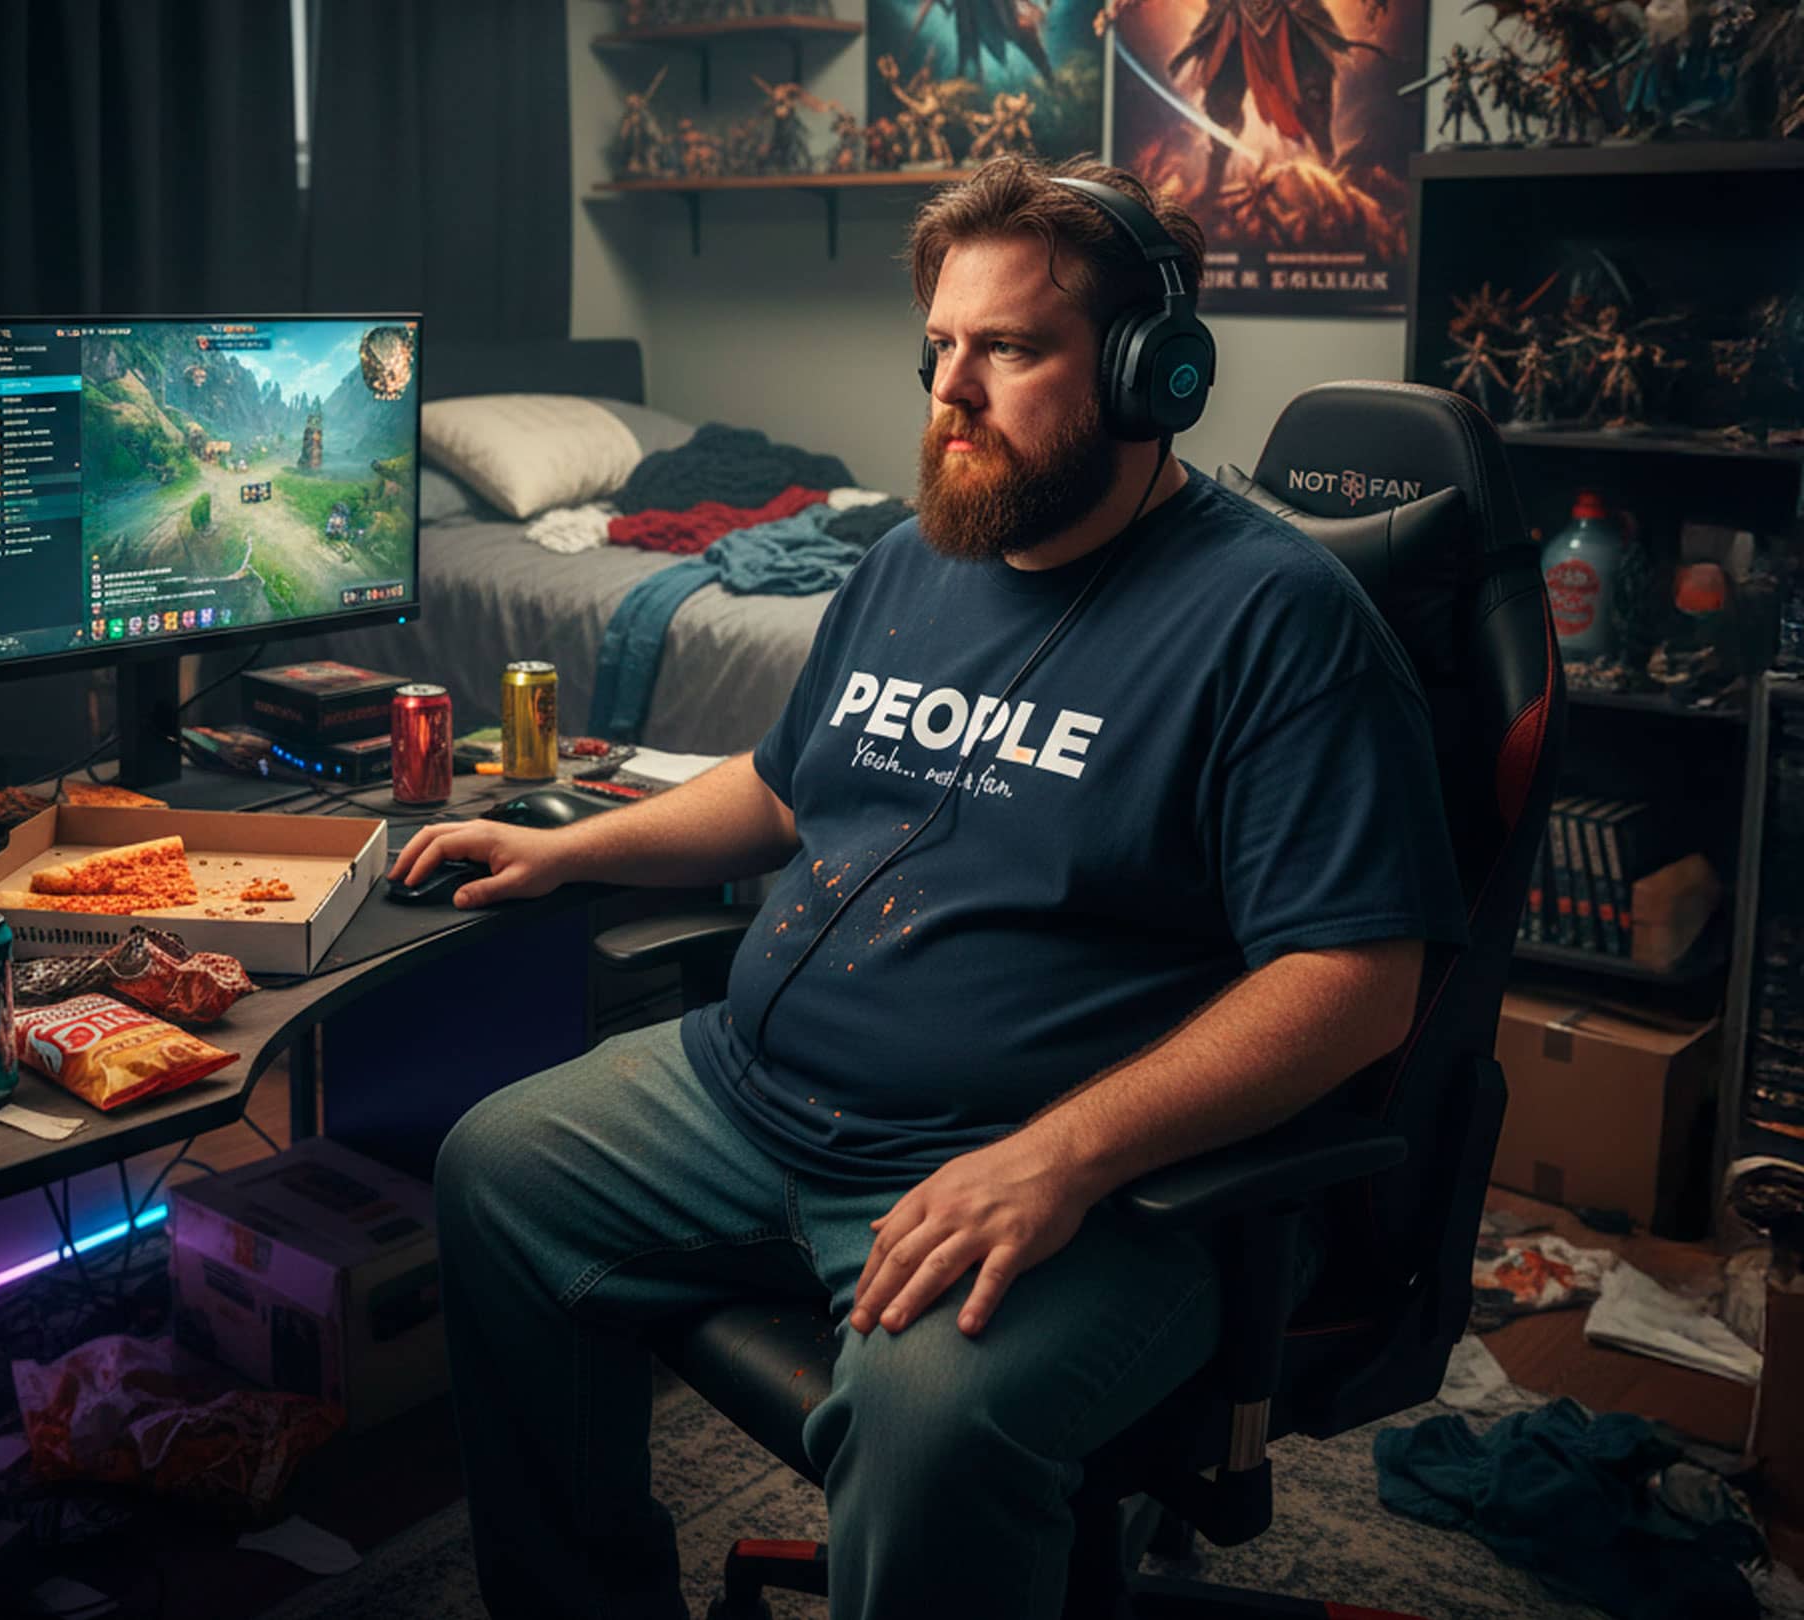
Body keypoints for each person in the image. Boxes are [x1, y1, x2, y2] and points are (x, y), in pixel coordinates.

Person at [394, 155, 1467, 1620]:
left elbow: (1355, 986)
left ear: (1150, 374)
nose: (951, 394)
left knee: (930, 1424)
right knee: (496, 1172)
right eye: (941, 350)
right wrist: (566, 842)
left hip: (1047, 1173)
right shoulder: (909, 559)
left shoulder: (1277, 623)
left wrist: (1062, 1157)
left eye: (1010, 349)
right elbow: (782, 785)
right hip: (751, 1098)